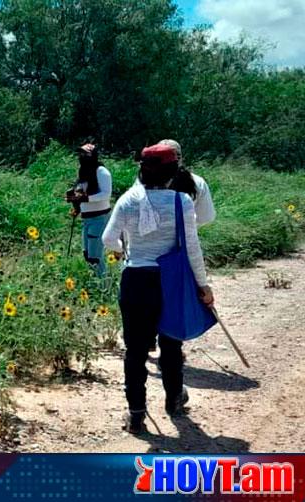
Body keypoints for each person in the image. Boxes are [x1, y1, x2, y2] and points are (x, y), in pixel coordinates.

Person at [102, 143, 215, 435]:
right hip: (170, 281)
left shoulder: (129, 200)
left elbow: (108, 239)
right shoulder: (181, 202)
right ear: (173, 172)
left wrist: (125, 249)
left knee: (136, 350)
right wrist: (203, 286)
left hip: (136, 280)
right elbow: (192, 250)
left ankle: (136, 413)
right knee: (171, 343)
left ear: (141, 169)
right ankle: (174, 400)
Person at [65, 144, 112, 276]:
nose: (82, 157)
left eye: (85, 154)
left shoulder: (101, 171)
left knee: (95, 257)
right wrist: (74, 201)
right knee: (87, 255)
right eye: (80, 154)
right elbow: (81, 193)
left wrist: (86, 199)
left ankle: (104, 288)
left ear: (93, 155)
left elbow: (106, 194)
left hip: (100, 218)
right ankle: (96, 285)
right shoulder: (83, 171)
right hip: (86, 219)